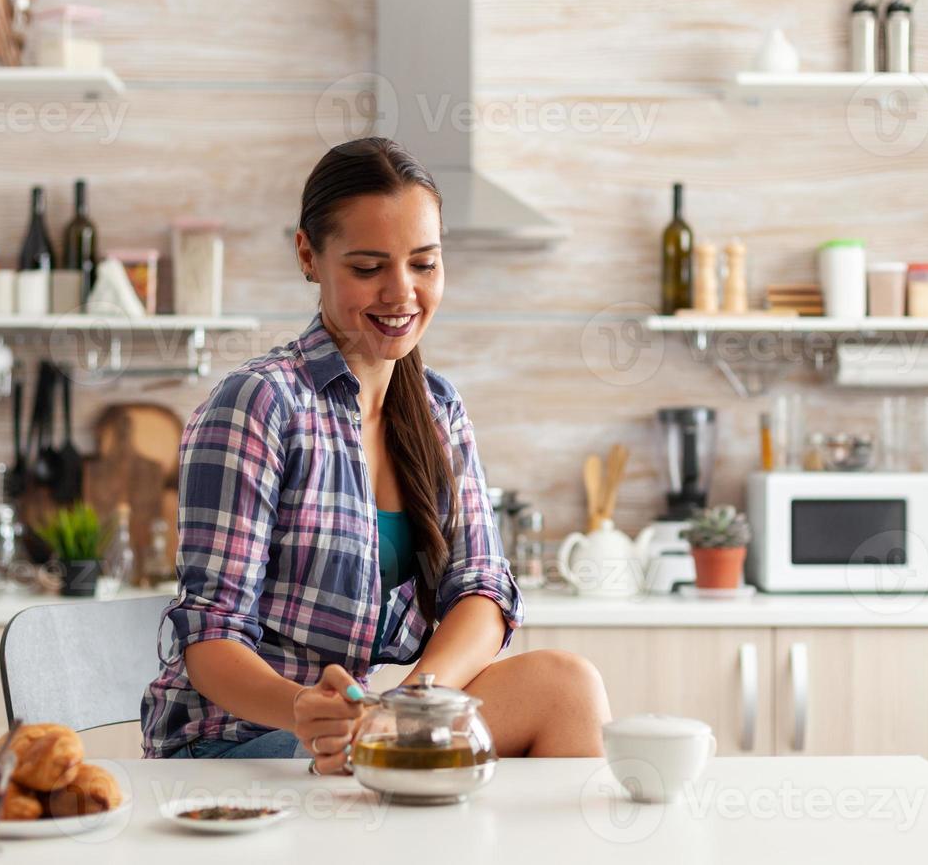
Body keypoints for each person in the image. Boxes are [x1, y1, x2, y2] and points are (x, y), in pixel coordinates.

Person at [142, 137, 611, 770]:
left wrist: (417, 699)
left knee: (568, 690)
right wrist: (308, 710)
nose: (401, 293)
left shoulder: (438, 412)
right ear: (309, 254)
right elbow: (210, 636)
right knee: (373, 773)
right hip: (241, 738)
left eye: (424, 264)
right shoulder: (259, 404)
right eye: (367, 268)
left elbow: (481, 588)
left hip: (360, 732)